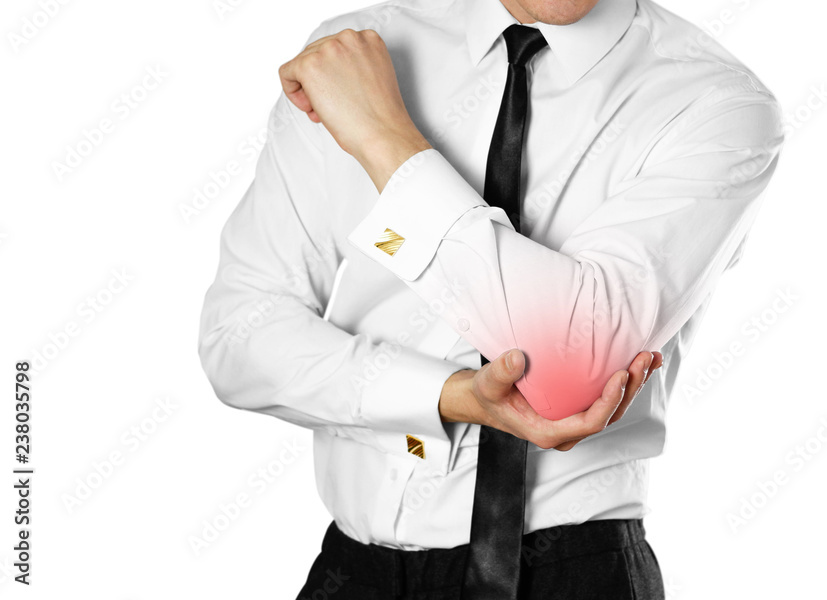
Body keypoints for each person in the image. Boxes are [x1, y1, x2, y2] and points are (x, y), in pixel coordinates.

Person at [198, 0, 784, 597]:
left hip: (572, 571)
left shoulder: (712, 102)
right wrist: (451, 397)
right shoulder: (354, 50)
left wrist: (387, 142)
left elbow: (567, 374)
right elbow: (239, 336)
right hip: (352, 572)